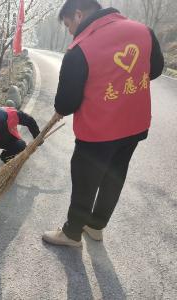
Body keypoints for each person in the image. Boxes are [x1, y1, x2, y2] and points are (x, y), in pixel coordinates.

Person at [42, 0, 164, 247]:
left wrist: (60, 110)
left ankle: (72, 233)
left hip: (98, 131)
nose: (69, 31)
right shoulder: (143, 31)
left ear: (78, 14)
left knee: (86, 179)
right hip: (134, 124)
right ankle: (96, 227)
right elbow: (156, 69)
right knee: (115, 174)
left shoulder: (80, 48)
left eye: (68, 25)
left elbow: (66, 103)